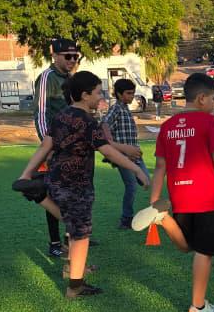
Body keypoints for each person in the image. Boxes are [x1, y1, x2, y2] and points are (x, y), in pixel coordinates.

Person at [17, 71, 149, 299]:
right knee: (81, 234)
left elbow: (45, 147)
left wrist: (26, 175)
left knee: (71, 224)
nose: (101, 97)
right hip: (77, 184)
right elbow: (107, 149)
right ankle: (75, 286)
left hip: (56, 178)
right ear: (85, 94)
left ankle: (41, 196)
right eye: (98, 93)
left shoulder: (61, 116)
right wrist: (136, 168)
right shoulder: (88, 121)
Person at [138, 73, 214, 312]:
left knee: (188, 246)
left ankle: (163, 218)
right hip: (207, 198)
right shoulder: (209, 122)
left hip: (181, 196)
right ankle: (198, 306)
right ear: (201, 98)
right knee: (203, 252)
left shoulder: (167, 126)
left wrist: (155, 201)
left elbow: (161, 167)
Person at [33, 38, 81, 257]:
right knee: (54, 195)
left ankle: (72, 237)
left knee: (74, 194)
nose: (72, 60)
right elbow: (41, 114)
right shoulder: (46, 78)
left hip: (73, 148)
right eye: (68, 56)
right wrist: (48, 146)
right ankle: (54, 243)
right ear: (55, 55)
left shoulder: (70, 79)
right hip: (55, 148)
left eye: (75, 56)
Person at [104, 78, 149, 229]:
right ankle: (126, 219)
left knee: (147, 182)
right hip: (123, 157)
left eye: (133, 93)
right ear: (118, 94)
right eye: (128, 93)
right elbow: (104, 124)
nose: (131, 96)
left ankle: (152, 214)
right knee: (131, 186)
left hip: (136, 156)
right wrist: (115, 146)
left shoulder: (125, 109)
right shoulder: (116, 108)